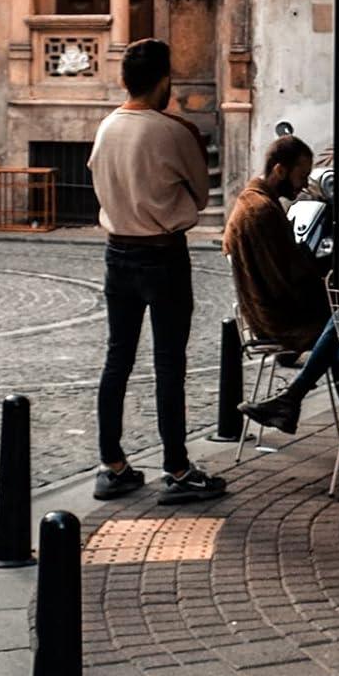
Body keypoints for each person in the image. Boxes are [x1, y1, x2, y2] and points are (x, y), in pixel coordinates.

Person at [87, 38, 225, 506]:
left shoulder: (107, 127)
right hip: (164, 255)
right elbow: (200, 197)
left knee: (117, 359)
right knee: (169, 364)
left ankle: (112, 464)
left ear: (124, 79)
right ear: (165, 80)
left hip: (117, 252)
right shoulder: (173, 132)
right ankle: (178, 468)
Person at [227, 135, 339, 436]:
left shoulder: (254, 200)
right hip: (276, 316)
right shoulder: (262, 210)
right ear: (280, 170)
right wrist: (322, 278)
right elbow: (287, 281)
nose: (303, 185)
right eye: (301, 176)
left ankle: (293, 402)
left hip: (268, 307)